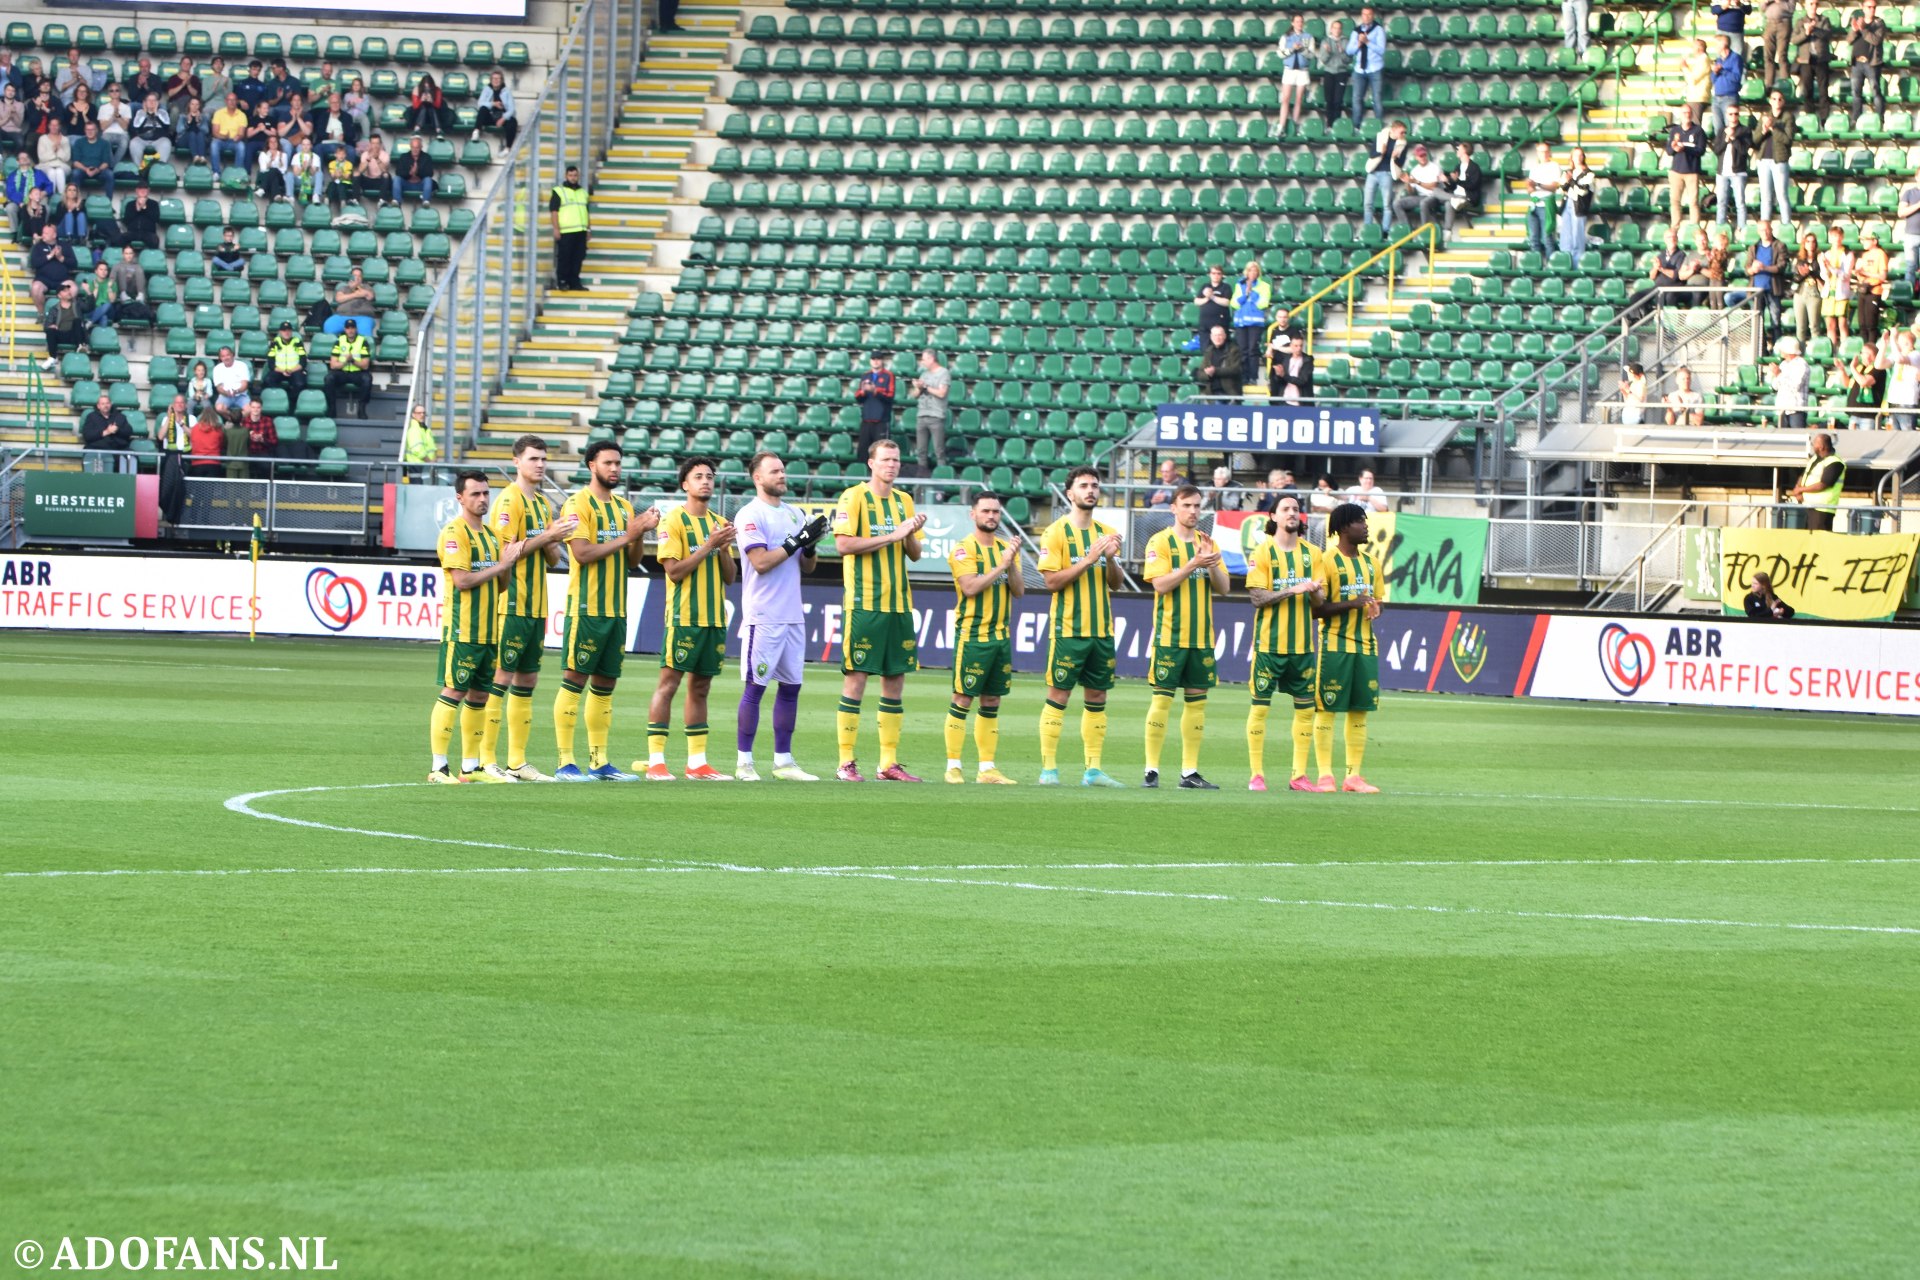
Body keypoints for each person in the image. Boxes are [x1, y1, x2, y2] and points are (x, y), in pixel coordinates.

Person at [470, 434, 581, 781]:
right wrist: (547, 537)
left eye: (544, 459)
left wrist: (556, 536)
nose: (540, 465)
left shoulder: (542, 504)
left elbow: (550, 557)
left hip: (536, 605)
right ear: (517, 462)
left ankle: (517, 761)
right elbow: (503, 554)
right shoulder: (508, 501)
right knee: (500, 677)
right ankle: (487, 759)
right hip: (511, 604)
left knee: (527, 680)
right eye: (533, 458)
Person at [550, 440, 659, 781]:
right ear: (591, 466)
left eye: (618, 463)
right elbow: (581, 553)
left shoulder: (623, 506)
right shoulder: (576, 504)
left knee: (605, 685)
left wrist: (639, 534)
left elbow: (633, 560)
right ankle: (566, 762)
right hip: (587, 608)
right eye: (608, 463)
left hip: (616, 610)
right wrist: (631, 533)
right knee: (574, 680)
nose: (614, 469)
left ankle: (599, 762)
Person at [639, 457, 739, 782]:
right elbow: (673, 571)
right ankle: (656, 762)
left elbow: (730, 578)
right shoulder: (673, 521)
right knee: (668, 685)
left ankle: (697, 763)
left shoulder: (719, 521)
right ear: (685, 484)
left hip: (713, 620)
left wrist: (723, 548)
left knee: (702, 687)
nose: (706, 481)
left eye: (710, 476)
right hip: (684, 618)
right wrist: (709, 544)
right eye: (698, 476)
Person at [732, 451, 829, 782]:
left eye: (783, 470)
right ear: (757, 477)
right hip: (764, 614)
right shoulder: (750, 514)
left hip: (792, 614)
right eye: (774, 471)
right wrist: (795, 542)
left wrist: (811, 546)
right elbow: (760, 562)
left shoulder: (795, 513)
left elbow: (808, 566)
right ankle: (744, 762)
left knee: (791, 688)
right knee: (755, 687)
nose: (782, 475)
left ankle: (784, 761)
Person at [831, 439, 925, 782]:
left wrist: (910, 533)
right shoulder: (853, 497)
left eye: (896, 460)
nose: (892, 465)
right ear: (871, 463)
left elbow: (913, 553)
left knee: (894, 680)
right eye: (885, 459)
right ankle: (845, 763)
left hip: (899, 604)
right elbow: (842, 545)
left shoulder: (904, 500)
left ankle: (888, 763)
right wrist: (893, 536)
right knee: (856, 680)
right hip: (865, 603)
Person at [426, 471, 524, 784]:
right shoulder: (454, 533)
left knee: (480, 696)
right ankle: (438, 767)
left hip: (488, 631)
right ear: (460, 498)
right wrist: (500, 566)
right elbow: (462, 580)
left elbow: (502, 585)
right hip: (462, 630)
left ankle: (471, 767)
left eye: (485, 494)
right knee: (453, 691)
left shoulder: (494, 536)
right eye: (475, 494)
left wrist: (507, 564)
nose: (482, 499)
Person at [1034, 468, 1126, 787]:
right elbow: (1050, 582)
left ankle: (1093, 770)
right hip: (1069, 630)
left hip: (1101, 631)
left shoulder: (1107, 532)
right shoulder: (1056, 533)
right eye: (1083, 486)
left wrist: (1111, 559)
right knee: (1058, 695)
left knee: (1097, 696)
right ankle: (1049, 769)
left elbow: (1115, 584)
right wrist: (1088, 559)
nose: (1090, 490)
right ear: (1069, 493)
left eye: (1095, 486)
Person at [1141, 485, 1228, 790]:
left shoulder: (1209, 542)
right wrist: (1193, 563)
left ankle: (1189, 772)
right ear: (1174, 509)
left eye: (1196, 506)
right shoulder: (1160, 541)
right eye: (1187, 505)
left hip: (1202, 639)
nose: (1193, 511)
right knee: (1162, 701)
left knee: (1196, 705)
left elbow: (1224, 587)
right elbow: (1160, 585)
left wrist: (1212, 563)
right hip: (1170, 636)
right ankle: (1151, 770)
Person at [1242, 493, 1324, 793]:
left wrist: (1314, 591)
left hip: (1302, 647)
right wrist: (1293, 590)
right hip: (1269, 646)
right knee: (1260, 708)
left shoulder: (1313, 554)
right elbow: (1257, 598)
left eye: (1296, 509)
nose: (1293, 513)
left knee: (1305, 711)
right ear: (1273, 516)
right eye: (1286, 509)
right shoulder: (1261, 552)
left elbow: (1319, 600)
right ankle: (1256, 775)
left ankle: (1299, 776)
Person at [942, 491, 1024, 785]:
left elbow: (1018, 591)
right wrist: (1002, 565)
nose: (992, 516)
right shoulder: (964, 549)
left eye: (996, 512)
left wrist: (1012, 564)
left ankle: (987, 768)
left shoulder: (1006, 549)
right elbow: (970, 588)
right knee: (962, 698)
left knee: (991, 701)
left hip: (1001, 637)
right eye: (986, 511)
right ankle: (953, 766)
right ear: (973, 514)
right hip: (973, 635)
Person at [1309, 503, 1385, 793]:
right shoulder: (1326, 561)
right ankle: (1325, 776)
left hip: (1366, 645)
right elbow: (1316, 610)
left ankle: (1353, 777)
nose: (1366, 526)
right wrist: (1352, 603)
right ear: (1343, 527)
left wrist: (1376, 608)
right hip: (1335, 645)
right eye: (1360, 522)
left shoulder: (1372, 564)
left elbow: (1377, 600)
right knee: (1327, 708)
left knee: (1359, 710)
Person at [1394, 144, 1453, 247]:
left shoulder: (1435, 167)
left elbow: (1433, 186)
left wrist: (1416, 181)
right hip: (1421, 196)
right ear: (1416, 157)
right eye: (1420, 156)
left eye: (1424, 155)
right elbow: (1411, 192)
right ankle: (1408, 231)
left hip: (1435, 195)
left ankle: (1424, 231)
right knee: (1397, 203)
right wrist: (1407, 182)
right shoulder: (1414, 170)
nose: (1423, 157)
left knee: (1423, 203)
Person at [1753, 90, 1794, 224]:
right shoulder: (1764, 117)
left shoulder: (1787, 117)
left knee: (1782, 195)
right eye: (1774, 99)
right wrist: (1764, 130)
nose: (1777, 101)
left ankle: (1786, 224)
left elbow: (1787, 140)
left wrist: (1773, 128)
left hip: (1779, 161)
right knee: (1765, 197)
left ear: (1783, 102)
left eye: (1780, 99)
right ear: (1770, 101)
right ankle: (1765, 225)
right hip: (1763, 160)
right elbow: (1755, 140)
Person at [1788, 431, 1844, 529]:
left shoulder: (1835, 463)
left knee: (1818, 540)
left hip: (1823, 509)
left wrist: (1800, 490)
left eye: (1815, 444)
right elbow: (1804, 475)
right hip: (1807, 506)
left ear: (1821, 447)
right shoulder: (1815, 459)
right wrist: (1798, 490)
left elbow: (1823, 484)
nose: (1813, 446)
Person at [1362, 119, 1408, 235]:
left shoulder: (1403, 144)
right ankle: (1368, 228)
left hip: (1387, 173)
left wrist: (1395, 157)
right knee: (1368, 203)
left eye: (1404, 133)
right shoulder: (1380, 137)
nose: (1403, 135)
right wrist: (1381, 152)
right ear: (1393, 130)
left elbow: (1401, 163)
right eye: (1401, 132)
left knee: (1387, 204)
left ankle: (1385, 230)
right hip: (1373, 171)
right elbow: (1372, 154)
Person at [1667, 105, 1707, 230]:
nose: (1687, 115)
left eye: (1689, 112)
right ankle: (1675, 227)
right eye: (1684, 113)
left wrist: (1685, 148)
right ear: (1681, 114)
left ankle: (1694, 227)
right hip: (1676, 171)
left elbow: (1701, 150)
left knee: (1693, 202)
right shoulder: (1675, 131)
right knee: (1674, 201)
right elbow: (1668, 150)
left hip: (1692, 171)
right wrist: (1674, 147)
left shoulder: (1698, 131)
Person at [1744, 219, 1787, 333]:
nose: (1765, 232)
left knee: (1775, 321)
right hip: (1756, 290)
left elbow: (1781, 266)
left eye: (1767, 229)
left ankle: (1776, 346)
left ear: (1771, 230)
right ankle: (1761, 349)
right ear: (1758, 232)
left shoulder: (1779, 246)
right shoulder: (1753, 248)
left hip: (1773, 289)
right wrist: (1752, 269)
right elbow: (1747, 268)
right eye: (1762, 230)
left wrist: (1764, 268)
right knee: (1757, 323)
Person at [1847, 1, 1887, 124]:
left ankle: (1879, 117)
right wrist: (1854, 30)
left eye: (1874, 7)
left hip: (1871, 63)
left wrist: (1863, 29)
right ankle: (1856, 118)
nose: (1872, 10)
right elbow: (1849, 40)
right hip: (1857, 63)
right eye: (1869, 7)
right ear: (1863, 8)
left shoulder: (1879, 23)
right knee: (1856, 92)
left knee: (1875, 90)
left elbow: (1875, 40)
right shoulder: (1859, 22)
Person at [549, 162, 588, 290]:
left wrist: (588, 229)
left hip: (581, 230)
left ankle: (574, 282)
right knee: (565, 258)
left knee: (578, 257)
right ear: (566, 176)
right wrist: (556, 228)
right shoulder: (559, 191)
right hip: (566, 231)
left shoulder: (583, 192)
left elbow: (586, 211)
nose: (573, 178)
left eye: (575, 175)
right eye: (570, 175)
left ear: (578, 176)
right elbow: (554, 211)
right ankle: (562, 281)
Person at [909, 348, 949, 470]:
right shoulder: (924, 374)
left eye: (924, 359)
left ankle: (942, 481)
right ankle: (921, 482)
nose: (922, 362)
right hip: (922, 415)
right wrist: (918, 387)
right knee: (921, 452)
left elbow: (942, 393)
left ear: (932, 359)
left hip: (936, 416)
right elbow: (914, 395)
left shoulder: (944, 373)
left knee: (939, 451)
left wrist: (926, 386)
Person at [1230, 260, 1269, 384]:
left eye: (1255, 270)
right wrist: (1244, 295)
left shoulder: (1264, 286)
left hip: (1255, 323)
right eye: (1250, 270)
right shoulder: (1239, 285)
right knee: (1242, 350)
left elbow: (1263, 303)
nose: (1253, 272)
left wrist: (1253, 294)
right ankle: (1243, 377)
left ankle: (1253, 377)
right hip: (1241, 322)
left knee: (1252, 350)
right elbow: (1234, 304)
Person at [1276, 16, 1316, 135]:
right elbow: (1280, 54)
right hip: (1289, 70)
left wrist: (1302, 49)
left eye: (1301, 22)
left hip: (1302, 71)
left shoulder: (1308, 37)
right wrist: (1292, 49)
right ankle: (1281, 126)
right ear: (1293, 23)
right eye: (1297, 21)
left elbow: (1311, 55)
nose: (1299, 24)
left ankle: (1294, 124)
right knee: (1286, 99)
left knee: (1298, 99)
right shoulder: (1286, 37)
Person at [1347, 6, 1387, 126]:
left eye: (1369, 14)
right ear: (1361, 15)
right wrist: (1359, 44)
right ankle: (1356, 127)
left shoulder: (1379, 30)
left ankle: (1379, 126)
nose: (1366, 17)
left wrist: (1367, 42)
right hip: (1359, 69)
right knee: (1356, 99)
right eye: (1364, 14)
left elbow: (1381, 50)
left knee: (1377, 99)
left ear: (1373, 15)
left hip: (1375, 69)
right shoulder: (1356, 30)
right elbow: (1349, 51)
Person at [1524, 140, 1564, 258]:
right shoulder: (1535, 167)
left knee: (1547, 237)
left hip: (1546, 204)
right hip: (1534, 203)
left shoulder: (1554, 166)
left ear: (1549, 152)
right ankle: (1536, 263)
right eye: (1541, 152)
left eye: (1546, 151)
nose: (1543, 154)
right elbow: (1530, 188)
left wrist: (1537, 185)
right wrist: (1534, 186)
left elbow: (1553, 187)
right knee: (1533, 238)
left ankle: (1551, 263)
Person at [853, 349, 895, 457]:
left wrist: (875, 391)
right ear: (870, 361)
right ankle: (863, 473)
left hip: (881, 420)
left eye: (878, 359)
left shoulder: (888, 375)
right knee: (863, 452)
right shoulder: (865, 375)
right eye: (873, 359)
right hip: (866, 419)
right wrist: (863, 392)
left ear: (882, 361)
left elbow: (890, 397)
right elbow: (858, 398)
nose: (876, 361)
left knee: (881, 453)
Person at [326, 319, 372, 416]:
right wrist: (345, 361)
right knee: (328, 378)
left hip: (357, 373)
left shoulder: (363, 341)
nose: (350, 330)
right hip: (342, 372)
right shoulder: (339, 341)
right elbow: (333, 365)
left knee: (367, 379)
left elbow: (365, 365)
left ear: (356, 329)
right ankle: (332, 408)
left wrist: (352, 360)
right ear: (344, 329)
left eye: (352, 328)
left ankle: (361, 408)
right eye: (348, 328)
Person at [1794, 8, 1836, 112]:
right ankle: (1810, 115)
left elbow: (1828, 35)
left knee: (1823, 90)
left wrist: (1814, 29)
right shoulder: (1800, 21)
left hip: (1821, 59)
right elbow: (1794, 40)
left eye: (1815, 4)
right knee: (1808, 91)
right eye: (1811, 4)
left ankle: (1824, 118)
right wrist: (1806, 33)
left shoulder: (1824, 20)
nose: (1813, 6)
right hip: (1806, 60)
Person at [1715, 114, 1752, 233]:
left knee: (1740, 203)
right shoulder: (1722, 131)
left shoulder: (1745, 130)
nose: (1733, 116)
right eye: (1730, 114)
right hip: (1722, 172)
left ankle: (1741, 229)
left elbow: (1743, 150)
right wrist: (1726, 139)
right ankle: (1720, 229)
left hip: (1738, 172)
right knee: (1721, 202)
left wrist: (1734, 138)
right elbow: (1717, 150)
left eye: (1736, 114)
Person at [1560, 146, 1596, 265]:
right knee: (1566, 237)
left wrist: (1570, 181)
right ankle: (1565, 263)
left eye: (1580, 155)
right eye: (1576, 155)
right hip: (1568, 203)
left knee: (1577, 238)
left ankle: (1577, 265)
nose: (1578, 158)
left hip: (1579, 206)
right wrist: (1569, 182)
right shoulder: (1569, 172)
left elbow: (1583, 191)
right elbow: (1563, 188)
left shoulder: (1589, 173)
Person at [1819, 224, 1854, 347]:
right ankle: (1832, 349)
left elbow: (1846, 275)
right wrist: (1826, 268)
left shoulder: (1848, 254)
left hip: (1841, 292)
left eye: (1838, 236)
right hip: (1829, 292)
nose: (1836, 239)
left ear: (1842, 237)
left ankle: (1844, 347)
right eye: (1833, 236)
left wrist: (1832, 268)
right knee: (1830, 325)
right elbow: (1823, 275)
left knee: (1842, 324)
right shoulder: (1826, 254)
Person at [79, 390, 133, 471]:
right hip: (98, 449)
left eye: (107, 403)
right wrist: (106, 432)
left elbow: (129, 432)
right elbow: (87, 435)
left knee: (132, 455)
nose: (105, 406)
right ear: (98, 406)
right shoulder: (91, 417)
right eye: (103, 404)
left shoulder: (120, 416)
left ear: (111, 404)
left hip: (118, 450)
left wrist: (117, 430)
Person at [1186, 261, 1233, 353]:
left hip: (1220, 323)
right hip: (1205, 324)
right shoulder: (1205, 286)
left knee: (1220, 349)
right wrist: (1207, 298)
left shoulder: (1225, 287)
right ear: (1210, 274)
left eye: (1218, 273)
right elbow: (1196, 301)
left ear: (1222, 275)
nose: (1216, 275)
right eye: (1213, 273)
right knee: (1205, 349)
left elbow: (1227, 302)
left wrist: (1212, 296)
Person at [1879, 328, 1920, 430]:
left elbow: (1900, 359)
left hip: (1907, 402)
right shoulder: (1897, 354)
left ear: (1908, 343)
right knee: (1894, 435)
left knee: (1907, 434)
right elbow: (1879, 365)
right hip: (1894, 401)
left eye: (1900, 342)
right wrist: (1884, 345)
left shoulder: (1915, 355)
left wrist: (1893, 338)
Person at [1854, 229, 1889, 344]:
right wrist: (1858, 273)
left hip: (1874, 290)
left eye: (1866, 240)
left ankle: (1872, 346)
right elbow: (1862, 274)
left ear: (1874, 241)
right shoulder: (1865, 255)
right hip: (1864, 289)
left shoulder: (1880, 254)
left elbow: (1883, 276)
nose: (1863, 242)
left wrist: (1866, 273)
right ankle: (1865, 347)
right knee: (1862, 324)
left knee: (1871, 323)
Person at [1837, 344, 1884, 429]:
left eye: (1864, 353)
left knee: (1866, 441)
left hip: (1868, 416)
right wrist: (1842, 370)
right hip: (1854, 414)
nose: (1863, 356)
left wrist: (1852, 368)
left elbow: (1864, 382)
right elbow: (1847, 384)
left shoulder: (1878, 368)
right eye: (1862, 353)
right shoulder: (1860, 368)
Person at [1769, 335, 1811, 428]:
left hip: (1796, 410)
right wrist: (1776, 375)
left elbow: (1796, 386)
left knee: (1797, 438)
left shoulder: (1802, 365)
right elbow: (1775, 386)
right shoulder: (1783, 364)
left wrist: (1779, 374)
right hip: (1783, 409)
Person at [28, 224, 73, 309]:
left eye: (46, 233)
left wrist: (61, 258)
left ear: (54, 235)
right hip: (43, 280)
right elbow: (33, 263)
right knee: (35, 288)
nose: (43, 235)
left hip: (62, 280)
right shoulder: (38, 246)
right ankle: (42, 314)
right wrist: (49, 256)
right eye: (43, 233)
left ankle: (64, 313)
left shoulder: (65, 246)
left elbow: (74, 264)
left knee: (73, 289)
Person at [1317, 19, 1351, 127]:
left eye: (1339, 28)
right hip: (1329, 72)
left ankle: (1337, 125)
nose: (1337, 30)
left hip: (1341, 72)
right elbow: (1324, 60)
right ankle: (1329, 124)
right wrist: (1327, 52)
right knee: (1329, 100)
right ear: (1331, 29)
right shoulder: (1325, 41)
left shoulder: (1345, 42)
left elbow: (1348, 60)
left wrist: (1342, 52)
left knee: (1338, 101)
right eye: (1334, 28)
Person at [1790, 230, 1822, 343]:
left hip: (1814, 293)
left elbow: (1822, 276)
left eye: (1813, 242)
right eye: (1808, 242)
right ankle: (1800, 351)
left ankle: (1817, 349)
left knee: (1814, 326)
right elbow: (1793, 277)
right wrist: (1802, 274)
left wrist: (1810, 272)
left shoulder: (1819, 259)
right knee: (1800, 327)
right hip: (1800, 293)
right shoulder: (1799, 260)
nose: (1810, 244)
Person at [1709, 35, 1745, 138]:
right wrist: (1715, 72)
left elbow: (1737, 77)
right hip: (1716, 98)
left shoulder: (1735, 58)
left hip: (1729, 97)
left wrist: (1722, 71)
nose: (1715, 47)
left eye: (1717, 44)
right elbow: (1713, 80)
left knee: (1730, 127)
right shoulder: (1718, 60)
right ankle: (1721, 151)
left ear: (1723, 44)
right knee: (1718, 129)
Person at [1193, 323, 1242, 398]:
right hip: (1211, 394)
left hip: (1229, 393)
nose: (1217, 338)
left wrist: (1215, 371)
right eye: (1215, 335)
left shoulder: (1233, 350)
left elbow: (1236, 369)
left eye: (1220, 335)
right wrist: (1208, 374)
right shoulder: (1208, 352)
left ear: (1224, 336)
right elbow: (1200, 373)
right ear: (1211, 337)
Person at [475, 71, 517, 154]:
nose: (496, 80)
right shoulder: (486, 89)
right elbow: (480, 103)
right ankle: (476, 131)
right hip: (490, 116)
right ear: (491, 80)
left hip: (502, 116)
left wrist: (503, 118)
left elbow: (512, 109)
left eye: (498, 78)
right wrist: (493, 104)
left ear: (502, 80)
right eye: (494, 78)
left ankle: (508, 148)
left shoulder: (507, 91)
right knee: (483, 109)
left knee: (513, 122)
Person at [127, 92, 171, 170]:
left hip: (159, 139)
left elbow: (166, 126)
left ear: (157, 102)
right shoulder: (140, 112)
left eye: (154, 100)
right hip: (142, 139)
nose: (151, 102)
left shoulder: (162, 112)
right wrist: (145, 114)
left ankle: (160, 168)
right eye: (149, 100)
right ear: (145, 102)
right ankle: (139, 169)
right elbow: (137, 127)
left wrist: (156, 114)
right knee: (133, 143)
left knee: (166, 143)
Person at [69, 119, 112, 199]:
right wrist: (86, 169)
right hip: (83, 170)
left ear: (96, 131)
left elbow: (106, 162)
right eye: (87, 130)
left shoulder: (104, 143)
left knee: (109, 174)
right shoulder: (79, 142)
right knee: (75, 173)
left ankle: (109, 202)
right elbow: (75, 162)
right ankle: (75, 201)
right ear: (84, 131)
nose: (90, 132)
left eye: (92, 129)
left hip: (99, 170)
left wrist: (97, 170)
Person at [264, 322, 307, 397]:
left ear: (291, 332)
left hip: (294, 370)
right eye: (284, 330)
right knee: (268, 380)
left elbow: (303, 362)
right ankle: (279, 399)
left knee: (300, 383)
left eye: (289, 330)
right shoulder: (275, 342)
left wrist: (290, 370)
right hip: (279, 370)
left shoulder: (297, 342)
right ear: (280, 332)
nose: (286, 332)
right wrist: (283, 370)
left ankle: (292, 403)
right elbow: (271, 364)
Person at [210, 92, 249, 174]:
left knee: (241, 146)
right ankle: (216, 172)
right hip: (221, 140)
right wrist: (223, 137)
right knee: (214, 144)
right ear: (226, 101)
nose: (231, 102)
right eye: (229, 100)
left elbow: (241, 133)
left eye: (234, 100)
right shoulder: (218, 113)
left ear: (237, 101)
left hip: (234, 141)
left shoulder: (242, 115)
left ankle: (237, 173)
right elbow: (214, 132)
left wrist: (238, 137)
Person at [1269, 331, 1313, 404]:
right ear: (1291, 346)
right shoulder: (1285, 359)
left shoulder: (1307, 360)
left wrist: (1284, 375)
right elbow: (1281, 381)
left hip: (1301, 402)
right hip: (1285, 400)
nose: (1299, 348)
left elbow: (1302, 381)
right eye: (1296, 346)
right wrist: (1278, 375)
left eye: (1301, 346)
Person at [391, 134, 434, 206]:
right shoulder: (404, 157)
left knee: (428, 180)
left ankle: (425, 201)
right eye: (413, 147)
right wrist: (410, 173)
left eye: (417, 147)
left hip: (420, 184)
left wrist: (418, 172)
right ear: (410, 147)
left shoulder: (427, 157)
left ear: (421, 147)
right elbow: (398, 172)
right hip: (407, 184)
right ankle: (397, 201)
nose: (415, 150)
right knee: (396, 179)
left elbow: (430, 173)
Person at [239, 399, 279, 476]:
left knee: (266, 467)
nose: (256, 410)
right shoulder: (243, 422)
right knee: (242, 465)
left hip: (263, 453)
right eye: (253, 407)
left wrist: (262, 440)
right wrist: (248, 437)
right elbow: (239, 441)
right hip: (248, 453)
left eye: (258, 407)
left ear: (261, 408)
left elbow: (274, 442)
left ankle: (265, 487)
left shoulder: (268, 421)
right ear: (250, 408)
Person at [1760, 0, 1795, 87]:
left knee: (1782, 56)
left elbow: (1791, 8)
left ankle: (1785, 85)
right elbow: (1762, 7)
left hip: (1783, 23)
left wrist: (1779, 2)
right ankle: (1769, 85)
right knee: (1768, 57)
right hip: (1769, 23)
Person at [210, 346, 252, 418]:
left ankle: (238, 422)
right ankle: (232, 420)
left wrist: (237, 391)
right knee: (219, 408)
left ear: (232, 354)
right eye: (223, 356)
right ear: (220, 358)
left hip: (241, 395)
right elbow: (219, 387)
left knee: (250, 410)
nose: (226, 358)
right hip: (225, 396)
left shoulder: (242, 365)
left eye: (228, 355)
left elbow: (245, 384)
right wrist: (226, 393)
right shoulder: (217, 369)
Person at [1680, 40, 1712, 125]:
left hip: (1698, 97)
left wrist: (1684, 67)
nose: (1692, 49)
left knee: (1694, 124)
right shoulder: (1699, 60)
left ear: (1699, 48)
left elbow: (1693, 79)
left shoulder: (1704, 60)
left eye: (1693, 47)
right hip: (1694, 97)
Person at [187, 408, 226, 476]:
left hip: (197, 463)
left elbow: (192, 442)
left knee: (198, 486)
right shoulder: (218, 429)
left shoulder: (195, 428)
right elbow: (222, 443)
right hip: (214, 463)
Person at [35, 118, 69, 195]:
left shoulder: (65, 139)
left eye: (56, 125)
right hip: (46, 165)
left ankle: (62, 196)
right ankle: (52, 196)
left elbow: (67, 158)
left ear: (59, 126)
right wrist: (53, 150)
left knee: (59, 171)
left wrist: (59, 148)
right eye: (52, 125)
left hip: (61, 165)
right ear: (49, 126)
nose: (54, 127)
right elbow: (42, 157)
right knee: (51, 172)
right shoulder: (42, 139)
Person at [174, 95, 209, 164]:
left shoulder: (203, 117)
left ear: (199, 106)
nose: (194, 106)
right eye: (192, 104)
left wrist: (199, 122)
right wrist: (188, 123)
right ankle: (195, 157)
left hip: (199, 140)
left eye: (197, 104)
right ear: (189, 105)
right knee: (192, 133)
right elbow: (179, 130)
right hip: (184, 140)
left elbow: (206, 131)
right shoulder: (183, 116)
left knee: (200, 134)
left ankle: (202, 157)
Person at [401, 402, 437, 466]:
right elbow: (418, 450)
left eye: (423, 413)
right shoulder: (413, 430)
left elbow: (433, 448)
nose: (422, 415)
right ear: (413, 415)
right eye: (419, 413)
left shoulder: (426, 430)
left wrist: (434, 459)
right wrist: (430, 462)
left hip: (427, 466)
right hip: (418, 466)